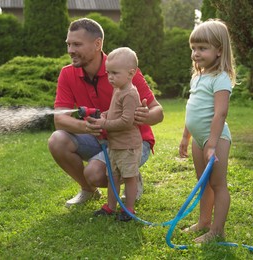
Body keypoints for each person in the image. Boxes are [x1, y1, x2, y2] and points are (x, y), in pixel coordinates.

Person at [48, 18, 164, 208]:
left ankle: (131, 176)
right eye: (68, 44)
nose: (70, 50)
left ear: (97, 44)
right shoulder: (67, 74)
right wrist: (88, 126)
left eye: (77, 44)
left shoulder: (124, 70)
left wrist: (146, 116)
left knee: (94, 173)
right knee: (57, 140)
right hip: (100, 136)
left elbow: (158, 112)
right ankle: (88, 190)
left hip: (132, 141)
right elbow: (60, 120)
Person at [178, 19, 236, 243]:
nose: (195, 53)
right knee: (203, 183)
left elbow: (220, 114)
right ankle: (204, 222)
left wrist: (212, 143)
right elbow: (191, 108)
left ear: (219, 50)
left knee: (217, 184)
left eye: (202, 48)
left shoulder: (220, 79)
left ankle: (217, 231)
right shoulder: (198, 76)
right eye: (193, 48)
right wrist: (185, 136)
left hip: (217, 139)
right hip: (199, 139)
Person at [89, 47, 142, 221]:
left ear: (130, 73)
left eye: (115, 73)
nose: (110, 77)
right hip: (114, 145)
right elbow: (115, 112)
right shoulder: (118, 89)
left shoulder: (130, 94)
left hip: (128, 147)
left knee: (129, 178)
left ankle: (129, 209)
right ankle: (110, 207)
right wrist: (105, 114)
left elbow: (127, 121)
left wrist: (104, 124)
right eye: (108, 72)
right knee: (112, 177)